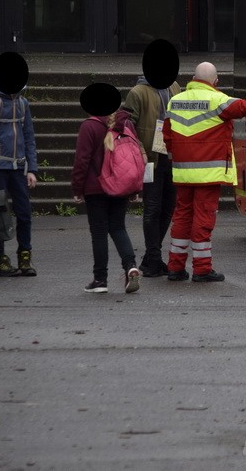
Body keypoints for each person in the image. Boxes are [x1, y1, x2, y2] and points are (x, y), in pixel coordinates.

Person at [162, 62, 246, 282]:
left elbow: (166, 136)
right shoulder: (217, 100)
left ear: (193, 79)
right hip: (207, 174)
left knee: (182, 217)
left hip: (183, 173)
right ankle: (202, 269)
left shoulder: (175, 101)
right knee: (203, 219)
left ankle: (175, 267)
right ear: (215, 82)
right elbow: (244, 106)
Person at [72, 83, 142, 294]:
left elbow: (81, 161)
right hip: (121, 185)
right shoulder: (125, 125)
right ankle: (130, 265)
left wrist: (77, 188)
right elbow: (134, 157)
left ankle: (100, 280)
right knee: (119, 227)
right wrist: (134, 188)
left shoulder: (89, 126)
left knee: (99, 233)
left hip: (96, 188)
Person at [0, 52, 39, 277]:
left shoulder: (23, 103)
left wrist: (32, 169)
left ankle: (25, 255)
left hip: (18, 168)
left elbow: (29, 137)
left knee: (24, 213)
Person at [123, 39, 181, 277]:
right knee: (152, 208)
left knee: (169, 207)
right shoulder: (138, 92)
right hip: (149, 158)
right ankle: (154, 257)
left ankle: (150, 256)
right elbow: (127, 125)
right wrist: (139, 150)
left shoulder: (175, 87)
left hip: (172, 156)